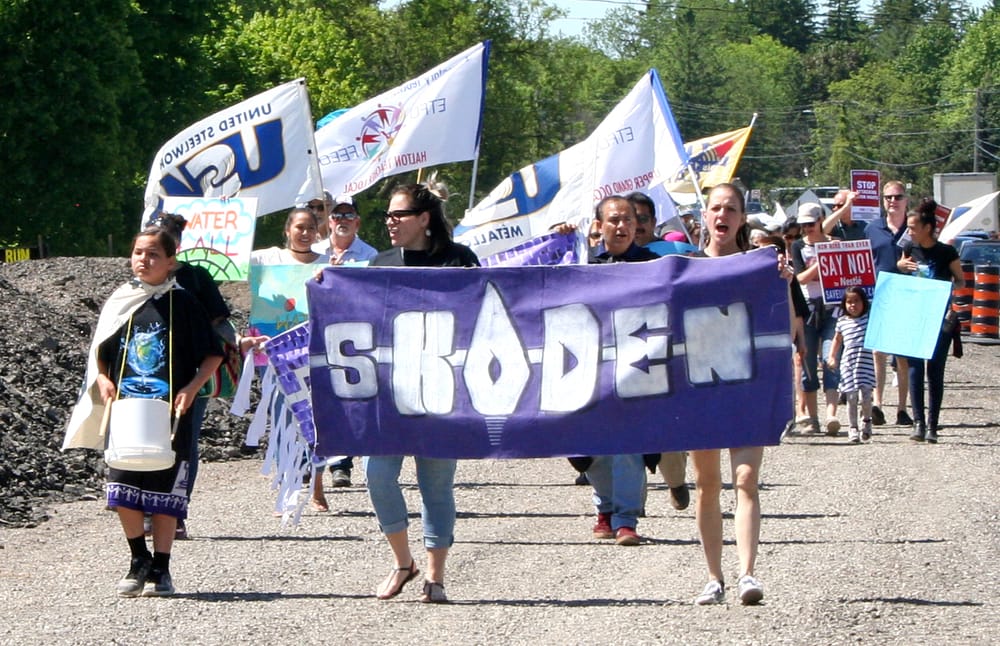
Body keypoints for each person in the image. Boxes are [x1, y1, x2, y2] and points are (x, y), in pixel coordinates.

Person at [64, 228, 223, 597]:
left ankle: (162, 568)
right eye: (138, 253)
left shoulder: (184, 303)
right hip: (126, 412)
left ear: (171, 262)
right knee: (124, 486)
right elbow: (100, 355)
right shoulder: (122, 301)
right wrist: (103, 379)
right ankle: (138, 559)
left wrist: (191, 388)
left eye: (153, 254)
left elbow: (213, 354)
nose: (143, 260)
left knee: (164, 491)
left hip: (170, 411)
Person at [365, 179, 479, 604]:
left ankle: (436, 575)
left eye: (399, 214)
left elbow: (484, 312)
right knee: (377, 477)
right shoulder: (380, 263)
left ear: (424, 219)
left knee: (436, 484)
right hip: (391, 391)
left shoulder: (458, 260)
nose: (390, 222)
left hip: (442, 390)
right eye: (388, 215)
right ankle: (402, 563)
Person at [690, 182, 790, 606]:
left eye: (731, 208)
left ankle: (747, 573)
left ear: (742, 218)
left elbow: (782, 322)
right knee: (707, 483)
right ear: (705, 216)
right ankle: (714, 577)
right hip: (698, 388)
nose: (722, 215)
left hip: (746, 384)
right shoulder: (685, 265)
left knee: (746, 479)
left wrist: (783, 282)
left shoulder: (759, 267)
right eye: (716, 208)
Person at [143, 212, 232, 540]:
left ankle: (176, 510)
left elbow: (220, 321)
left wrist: (240, 346)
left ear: (177, 244)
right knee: (147, 439)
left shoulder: (196, 277)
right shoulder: (135, 283)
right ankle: (149, 509)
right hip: (146, 374)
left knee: (184, 441)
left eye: (167, 236)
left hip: (189, 373)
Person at [250, 207, 331, 510]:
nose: (306, 233)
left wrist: (334, 274)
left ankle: (318, 486)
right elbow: (232, 260)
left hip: (314, 355)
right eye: (300, 227)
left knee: (318, 421)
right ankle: (289, 483)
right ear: (287, 230)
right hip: (276, 356)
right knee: (284, 420)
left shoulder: (326, 264)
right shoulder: (266, 259)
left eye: (311, 227)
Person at [311, 193, 378, 488]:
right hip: (319, 333)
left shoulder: (371, 255)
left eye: (348, 215)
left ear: (358, 221)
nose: (342, 221)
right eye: (337, 216)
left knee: (353, 396)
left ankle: (351, 460)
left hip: (356, 334)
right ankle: (326, 465)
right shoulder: (314, 252)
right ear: (329, 220)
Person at [897, 198, 964, 443]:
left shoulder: (946, 252)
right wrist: (900, 266)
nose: (910, 232)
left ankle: (933, 425)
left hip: (939, 319)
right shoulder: (909, 249)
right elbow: (898, 275)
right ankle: (918, 423)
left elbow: (961, 280)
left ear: (927, 228)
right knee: (914, 369)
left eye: (913, 227)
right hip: (915, 317)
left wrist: (946, 287)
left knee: (935, 371)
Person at [790, 202, 841, 436]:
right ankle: (812, 418)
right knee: (807, 363)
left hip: (833, 307)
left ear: (821, 220)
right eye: (804, 225)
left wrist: (834, 254)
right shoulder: (799, 246)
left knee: (832, 359)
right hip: (809, 307)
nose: (807, 228)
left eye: (811, 224)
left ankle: (832, 415)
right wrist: (823, 261)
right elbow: (800, 277)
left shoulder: (834, 242)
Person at [865, 181, 912, 427]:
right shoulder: (872, 229)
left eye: (897, 197)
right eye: (888, 197)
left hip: (906, 296)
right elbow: (863, 263)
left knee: (902, 357)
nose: (892, 201)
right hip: (878, 296)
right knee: (877, 353)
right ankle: (878, 404)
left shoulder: (913, 229)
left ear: (906, 200)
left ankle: (903, 409)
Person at [827, 287, 876, 443]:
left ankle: (866, 421)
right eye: (849, 302)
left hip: (866, 363)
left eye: (856, 301)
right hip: (848, 364)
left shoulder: (869, 319)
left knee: (866, 398)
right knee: (851, 397)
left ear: (863, 302)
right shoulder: (842, 322)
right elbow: (837, 340)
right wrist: (832, 356)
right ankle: (853, 427)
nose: (853, 305)